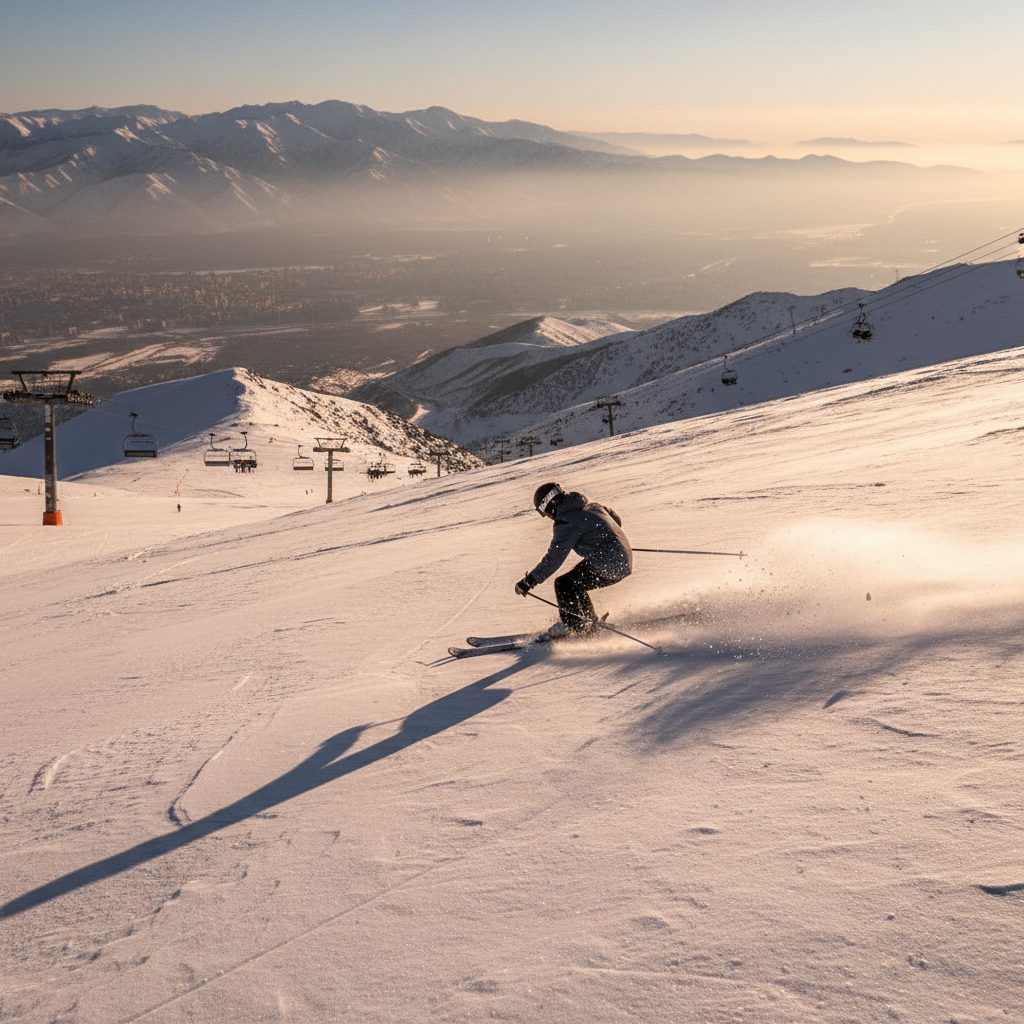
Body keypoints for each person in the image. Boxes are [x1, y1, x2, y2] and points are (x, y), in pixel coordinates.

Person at [515, 482, 632, 638]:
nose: (547, 516)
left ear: (550, 503)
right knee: (575, 585)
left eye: (543, 511)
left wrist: (529, 581)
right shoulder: (593, 506)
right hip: (621, 558)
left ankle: (572, 626)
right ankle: (588, 623)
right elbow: (615, 519)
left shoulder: (566, 522)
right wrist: (606, 540)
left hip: (609, 562)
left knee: (564, 584)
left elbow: (554, 558)